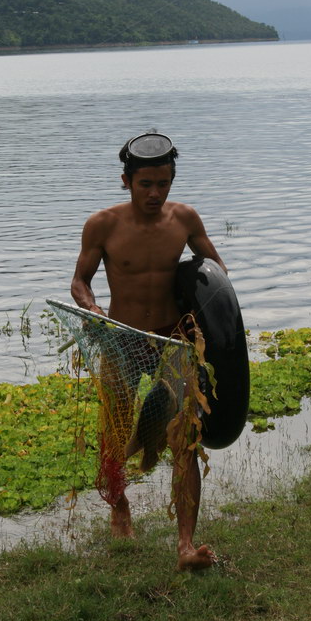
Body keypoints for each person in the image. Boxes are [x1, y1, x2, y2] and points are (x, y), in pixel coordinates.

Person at [71, 131, 227, 571]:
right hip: (122, 337)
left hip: (173, 340)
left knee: (185, 438)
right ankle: (119, 505)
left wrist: (211, 324)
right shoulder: (102, 225)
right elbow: (79, 282)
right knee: (115, 434)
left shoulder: (185, 220)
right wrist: (92, 307)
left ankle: (185, 546)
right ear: (126, 181)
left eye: (164, 183)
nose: (156, 193)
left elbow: (217, 275)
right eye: (146, 184)